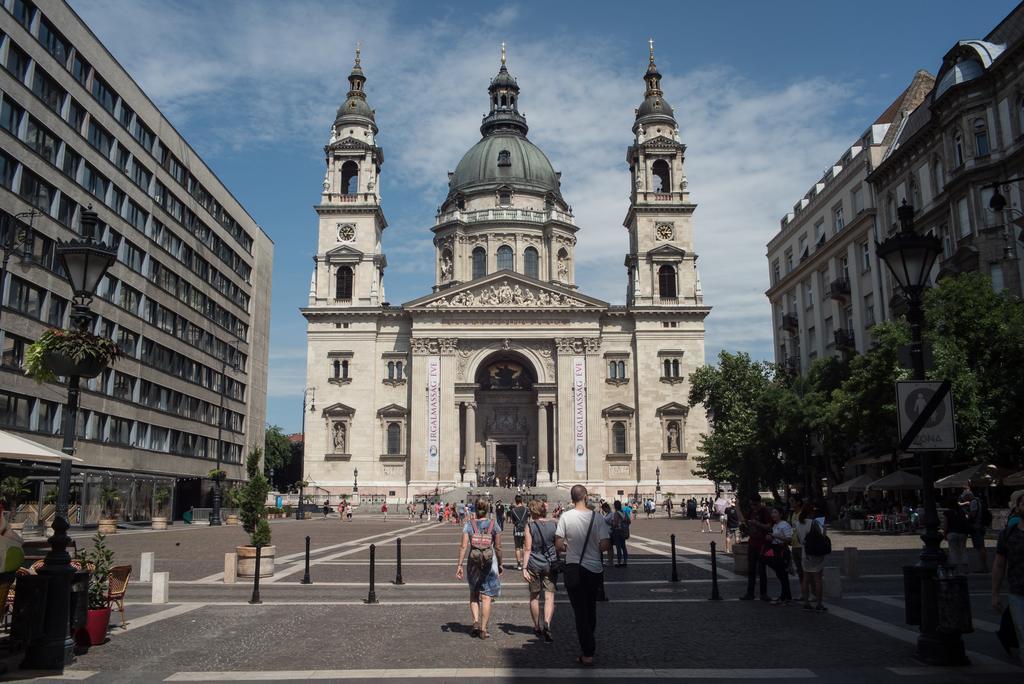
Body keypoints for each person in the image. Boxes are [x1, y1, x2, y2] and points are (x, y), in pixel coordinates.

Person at [555, 484, 610, 667]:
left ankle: (588, 651)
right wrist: (595, 546)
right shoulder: (598, 518)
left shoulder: (565, 517)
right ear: (585, 496)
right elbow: (605, 545)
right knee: (590, 608)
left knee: (580, 612)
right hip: (594, 569)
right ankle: (589, 642)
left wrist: (568, 547)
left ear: (571, 498)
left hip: (573, 569)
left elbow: (558, 544)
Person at [456, 497, 503, 640]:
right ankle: (483, 629)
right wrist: (500, 564)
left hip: (473, 562)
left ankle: (475, 621)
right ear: (488, 509)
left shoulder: (469, 525)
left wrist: (459, 565)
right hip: (489, 562)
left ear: (475, 509)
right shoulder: (494, 525)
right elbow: (498, 547)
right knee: (487, 596)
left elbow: (463, 546)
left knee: (474, 593)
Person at [992, 489, 1024, 665]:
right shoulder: (1009, 534)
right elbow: (998, 564)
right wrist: (995, 593)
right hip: (1018, 592)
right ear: (1017, 507)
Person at [523, 499, 557, 642]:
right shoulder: (554, 524)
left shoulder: (530, 526)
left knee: (534, 596)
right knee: (549, 596)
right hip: (550, 564)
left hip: (534, 565)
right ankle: (547, 623)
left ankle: (537, 626)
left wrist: (524, 567)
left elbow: (528, 548)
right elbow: (559, 544)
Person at [794, 501, 827, 612]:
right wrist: (824, 529)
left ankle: (806, 603)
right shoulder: (814, 523)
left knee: (806, 579)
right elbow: (822, 537)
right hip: (815, 554)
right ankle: (819, 604)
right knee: (818, 579)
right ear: (811, 511)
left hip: (804, 553)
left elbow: (799, 539)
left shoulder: (798, 523)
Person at [739, 495, 771, 601]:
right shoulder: (751, 512)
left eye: (755, 504)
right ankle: (750, 593)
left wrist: (757, 523)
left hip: (762, 543)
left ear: (759, 503)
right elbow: (745, 521)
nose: (753, 506)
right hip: (752, 543)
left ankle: (763, 593)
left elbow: (769, 526)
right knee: (751, 570)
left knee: (762, 570)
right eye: (751, 504)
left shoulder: (764, 511)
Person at [766, 507, 793, 605]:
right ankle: (785, 596)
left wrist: (775, 536)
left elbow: (789, 539)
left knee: (783, 575)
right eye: (772, 512)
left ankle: (786, 597)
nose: (773, 514)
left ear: (780, 514)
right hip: (775, 550)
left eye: (775, 512)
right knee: (780, 575)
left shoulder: (784, 524)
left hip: (782, 551)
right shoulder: (775, 525)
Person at [943, 493, 971, 575]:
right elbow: (966, 521)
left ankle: (955, 569)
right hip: (962, 533)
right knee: (963, 549)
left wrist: (944, 534)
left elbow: (945, 524)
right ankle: (965, 568)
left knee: (953, 550)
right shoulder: (961, 511)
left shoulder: (947, 513)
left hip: (951, 533)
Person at [963, 487, 989, 572]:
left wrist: (967, 514)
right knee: (981, 546)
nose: (965, 500)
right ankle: (984, 566)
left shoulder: (974, 502)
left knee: (980, 547)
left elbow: (973, 514)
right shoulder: (979, 501)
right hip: (981, 525)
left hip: (976, 526)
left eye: (965, 498)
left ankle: (983, 567)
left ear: (968, 496)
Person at [509, 495, 529, 570]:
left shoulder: (513, 510)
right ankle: (525, 563)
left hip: (517, 530)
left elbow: (513, 522)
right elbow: (527, 519)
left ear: (515, 501)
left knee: (517, 547)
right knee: (524, 547)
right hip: (525, 530)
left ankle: (519, 564)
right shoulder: (526, 509)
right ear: (521, 501)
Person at [609, 500, 629, 567]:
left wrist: (611, 523)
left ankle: (619, 562)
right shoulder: (624, 512)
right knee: (623, 547)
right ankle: (625, 561)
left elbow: (615, 524)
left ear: (615, 506)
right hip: (623, 532)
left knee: (618, 547)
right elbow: (629, 521)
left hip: (617, 532)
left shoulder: (616, 513)